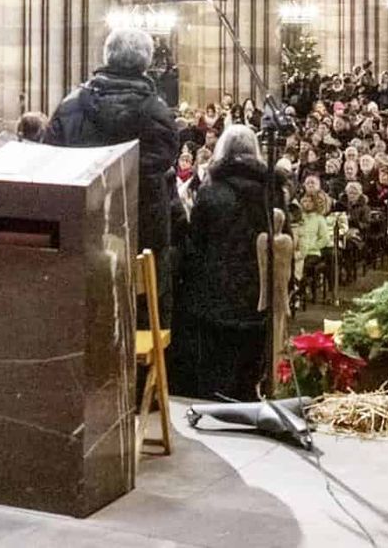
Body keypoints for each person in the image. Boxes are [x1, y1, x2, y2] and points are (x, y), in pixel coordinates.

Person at [46, 28, 179, 319]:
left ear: (107, 56)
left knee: (83, 316)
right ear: (146, 63)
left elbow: (50, 160)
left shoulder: (70, 107)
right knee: (140, 316)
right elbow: (165, 159)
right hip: (140, 232)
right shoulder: (156, 111)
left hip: (81, 228)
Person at [175, 124, 279, 400]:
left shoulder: (210, 192)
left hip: (214, 297)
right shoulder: (270, 191)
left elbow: (194, 246)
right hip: (258, 296)